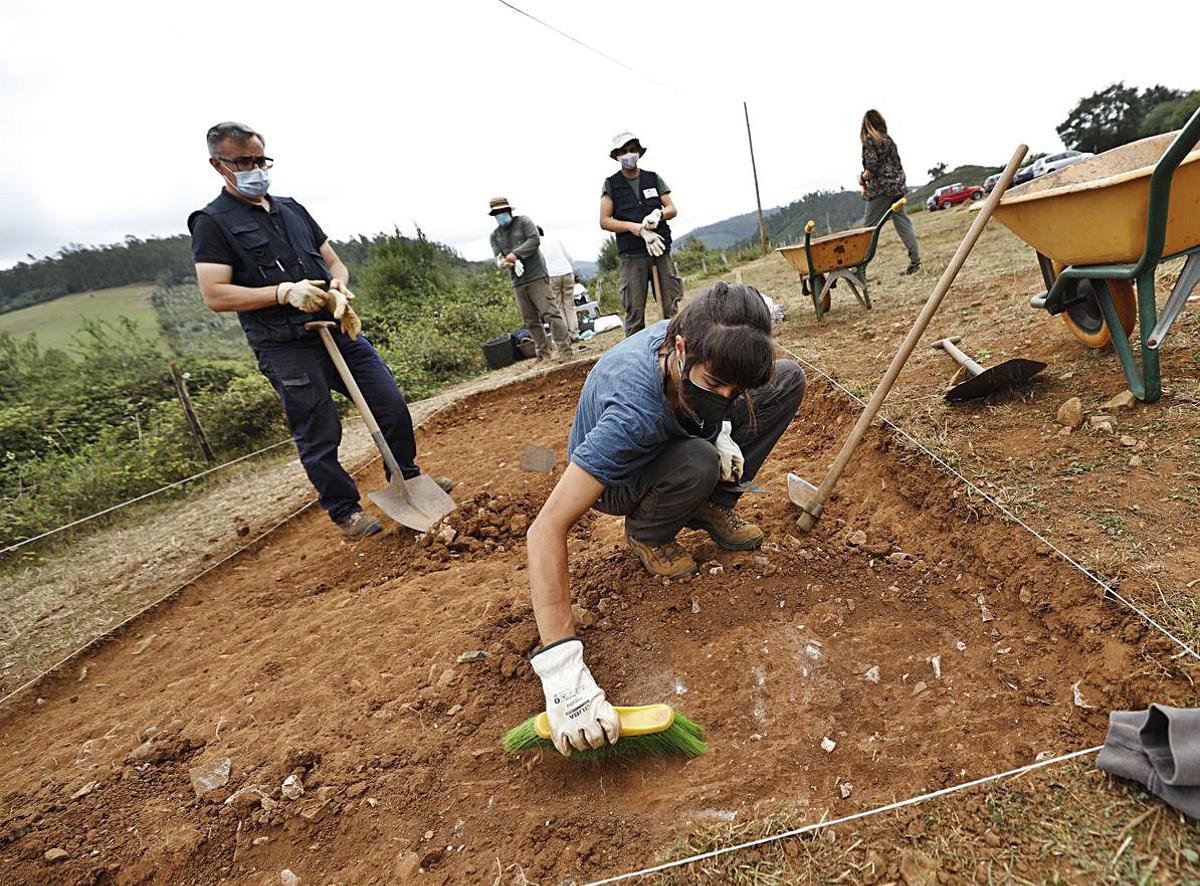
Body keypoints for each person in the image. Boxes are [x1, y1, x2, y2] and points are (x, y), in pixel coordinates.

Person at [523, 282, 806, 755]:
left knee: (787, 379)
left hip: (677, 429)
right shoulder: (632, 416)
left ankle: (711, 501)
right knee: (696, 458)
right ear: (679, 350)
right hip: (618, 480)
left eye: (735, 389)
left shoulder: (704, 339)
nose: (727, 395)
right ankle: (650, 532)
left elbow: (735, 385)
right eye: (715, 386)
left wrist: (726, 424)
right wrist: (562, 671)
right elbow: (545, 528)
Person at [188, 122, 448, 542]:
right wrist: (282, 292)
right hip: (285, 345)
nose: (256, 169)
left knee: (390, 403)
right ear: (219, 165)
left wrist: (340, 286)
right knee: (319, 429)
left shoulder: (292, 209)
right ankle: (345, 510)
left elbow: (334, 262)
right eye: (244, 162)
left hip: (338, 329)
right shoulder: (212, 222)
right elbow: (215, 294)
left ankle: (408, 477)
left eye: (261, 160)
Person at [600, 131, 684, 337]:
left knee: (670, 307)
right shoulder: (611, 184)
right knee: (635, 311)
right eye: (623, 151)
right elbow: (605, 221)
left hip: (659, 248)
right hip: (632, 256)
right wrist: (634, 228)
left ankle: (674, 349)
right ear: (617, 156)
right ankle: (634, 354)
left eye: (632, 150)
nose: (628, 154)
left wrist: (659, 214)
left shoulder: (653, 178)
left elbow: (672, 209)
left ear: (638, 152)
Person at [487, 197, 572, 362]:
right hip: (518, 281)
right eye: (497, 213)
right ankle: (543, 353)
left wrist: (515, 254)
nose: (500, 215)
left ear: (509, 210)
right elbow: (498, 255)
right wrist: (503, 262)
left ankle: (565, 350)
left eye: (502, 212)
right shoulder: (495, 235)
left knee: (550, 313)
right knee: (530, 319)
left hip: (537, 276)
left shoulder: (524, 222)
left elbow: (534, 240)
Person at [858, 109, 921, 275]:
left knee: (868, 230)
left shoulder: (871, 141)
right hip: (897, 188)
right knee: (903, 224)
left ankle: (860, 267)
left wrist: (862, 178)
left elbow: (871, 168)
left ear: (866, 124)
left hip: (881, 190)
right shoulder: (889, 140)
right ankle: (915, 261)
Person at [537, 226, 580, 339]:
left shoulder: (537, 246)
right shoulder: (555, 240)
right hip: (567, 272)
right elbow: (569, 257)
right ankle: (575, 333)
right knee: (569, 304)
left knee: (558, 306)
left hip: (553, 275)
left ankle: (565, 335)